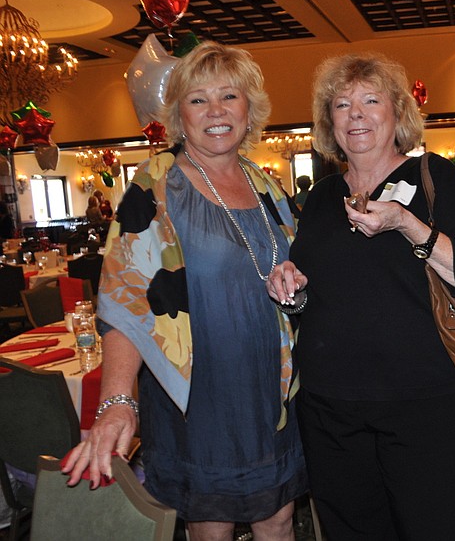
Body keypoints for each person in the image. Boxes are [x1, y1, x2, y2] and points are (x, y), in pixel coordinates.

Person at [62, 42, 308, 540]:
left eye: (229, 96)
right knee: (212, 526)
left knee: (279, 520)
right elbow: (124, 297)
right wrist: (116, 400)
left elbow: (295, 280)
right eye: (198, 99)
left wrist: (296, 292)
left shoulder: (267, 186)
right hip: (200, 396)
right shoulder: (156, 185)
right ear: (179, 114)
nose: (216, 111)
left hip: (272, 390)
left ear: (249, 108)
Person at [267, 52, 455, 540]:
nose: (356, 114)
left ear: (397, 112)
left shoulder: (435, 178)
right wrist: (291, 289)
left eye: (371, 100)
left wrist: (407, 224)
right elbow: (313, 303)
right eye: (342, 104)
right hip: (332, 408)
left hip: (426, 404)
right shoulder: (321, 198)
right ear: (329, 121)